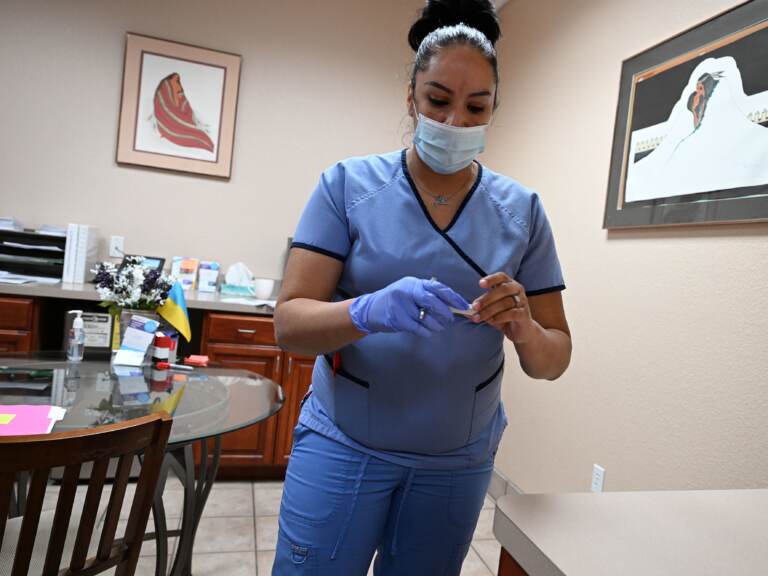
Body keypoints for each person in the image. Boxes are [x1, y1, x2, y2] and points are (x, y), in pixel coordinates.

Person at [272, 0, 572, 573]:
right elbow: (289, 326)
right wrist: (367, 310)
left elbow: (554, 359)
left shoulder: (522, 213)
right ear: (411, 97)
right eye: (438, 101)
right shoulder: (346, 187)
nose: (455, 122)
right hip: (346, 444)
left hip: (456, 462)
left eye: (475, 106)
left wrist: (525, 328)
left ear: (493, 111)